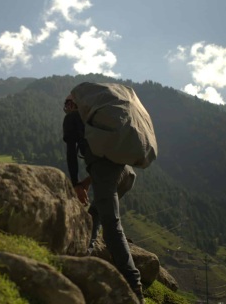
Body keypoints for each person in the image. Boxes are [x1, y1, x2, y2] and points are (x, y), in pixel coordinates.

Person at [62, 94, 144, 303]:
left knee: (112, 228)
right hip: (127, 174)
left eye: (67, 104)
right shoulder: (98, 123)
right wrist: (88, 183)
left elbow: (71, 153)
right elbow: (106, 164)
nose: (65, 108)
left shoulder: (73, 118)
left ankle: (135, 287)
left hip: (108, 174)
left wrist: (76, 183)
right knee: (95, 214)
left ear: (73, 104)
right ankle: (84, 257)